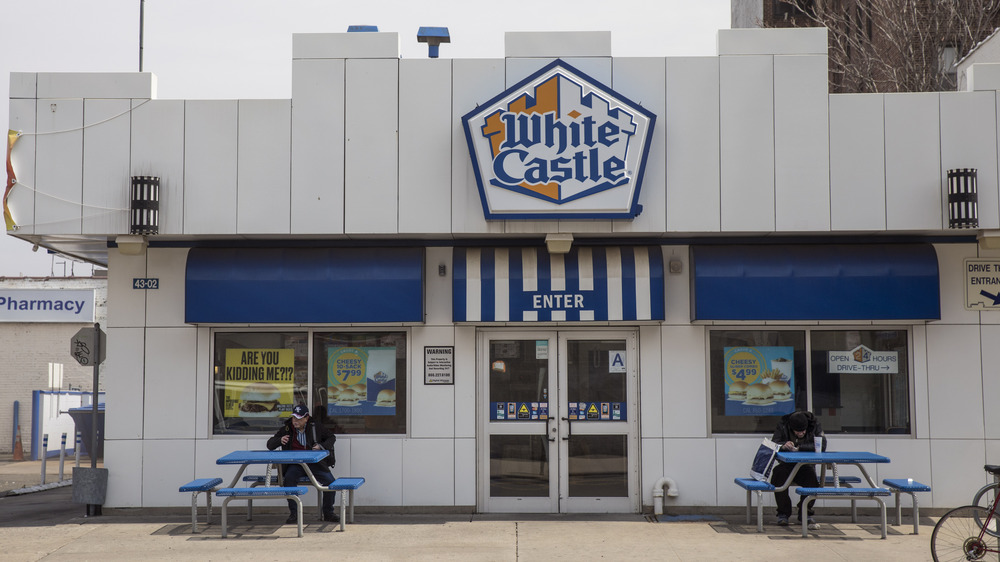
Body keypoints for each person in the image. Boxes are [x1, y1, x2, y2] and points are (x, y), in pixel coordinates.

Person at [266, 404, 339, 523]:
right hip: (296, 464)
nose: (295, 421)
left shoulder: (315, 427)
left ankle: (328, 513)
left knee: (330, 483)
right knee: (289, 479)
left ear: (306, 418)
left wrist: (321, 446)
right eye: (294, 418)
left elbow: (331, 437)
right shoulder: (287, 428)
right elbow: (269, 444)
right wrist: (280, 440)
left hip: (315, 463)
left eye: (299, 419)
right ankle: (294, 514)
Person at [769, 410, 826, 529]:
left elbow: (822, 445)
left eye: (803, 431)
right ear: (791, 428)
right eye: (797, 431)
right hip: (787, 464)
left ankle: (805, 512)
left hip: (806, 465)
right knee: (778, 476)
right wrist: (784, 445)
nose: (801, 433)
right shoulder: (783, 424)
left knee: (812, 479)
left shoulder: (814, 425)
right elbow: (774, 443)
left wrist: (800, 447)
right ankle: (783, 513)